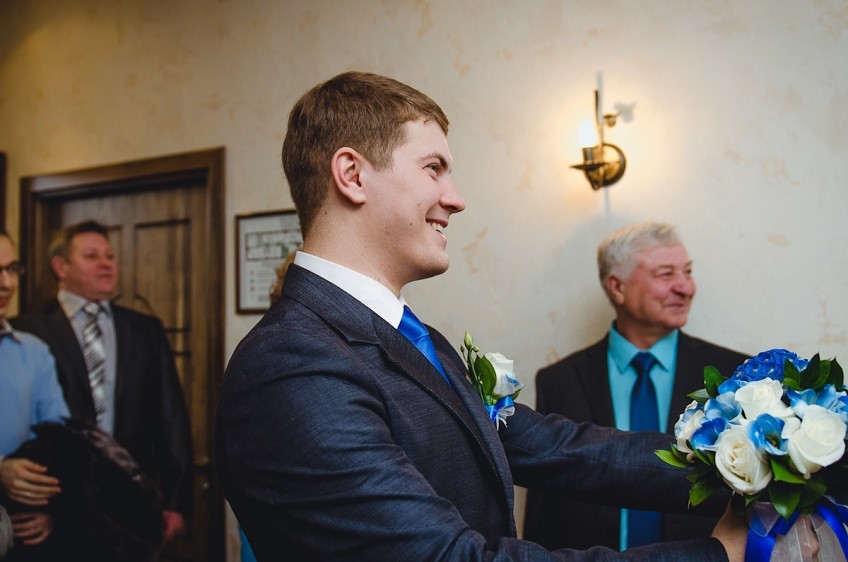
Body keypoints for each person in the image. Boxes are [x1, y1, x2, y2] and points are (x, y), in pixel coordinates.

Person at [215, 71, 747, 561]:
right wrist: (718, 555)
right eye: (433, 169)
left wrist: (750, 457)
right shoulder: (292, 364)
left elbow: (562, 451)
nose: (456, 199)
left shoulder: (415, 338)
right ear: (352, 175)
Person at [524, 221, 749, 551]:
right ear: (617, 287)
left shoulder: (735, 375)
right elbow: (543, 515)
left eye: (687, 272)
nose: (686, 287)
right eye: (666, 274)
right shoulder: (559, 381)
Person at [11, 220, 193, 543]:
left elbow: (171, 418)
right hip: (57, 509)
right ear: (61, 267)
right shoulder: (26, 332)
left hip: (133, 503)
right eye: (91, 256)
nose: (106, 264)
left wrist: (177, 502)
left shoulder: (145, 330)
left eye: (109, 256)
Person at [0, 231, 70, 560]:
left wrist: (52, 510)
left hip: (23, 538)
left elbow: (59, 440)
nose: (6, 283)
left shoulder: (34, 352)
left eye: (12, 269)